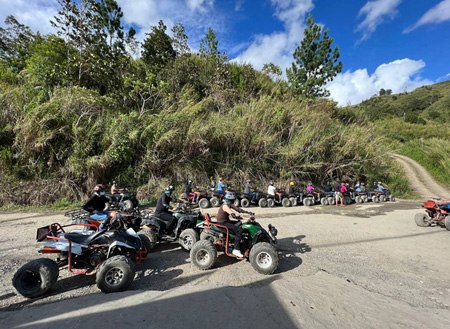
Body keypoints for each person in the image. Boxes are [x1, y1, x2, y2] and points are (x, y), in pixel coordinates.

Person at [216, 192, 252, 258]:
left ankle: (238, 241)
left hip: (226, 221)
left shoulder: (229, 204)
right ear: (231, 199)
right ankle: (236, 249)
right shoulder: (225, 206)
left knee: (239, 224)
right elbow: (233, 215)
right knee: (239, 230)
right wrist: (244, 217)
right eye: (233, 200)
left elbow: (238, 209)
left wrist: (248, 212)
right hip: (222, 224)